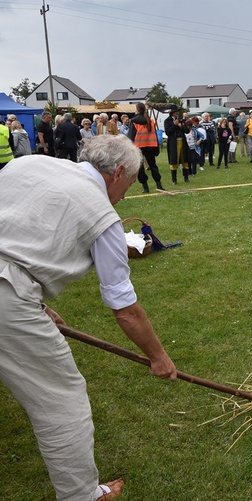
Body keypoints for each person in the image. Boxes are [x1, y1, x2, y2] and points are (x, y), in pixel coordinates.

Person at [0, 134, 178, 500]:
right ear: (119, 172)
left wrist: (35, 305)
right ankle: (83, 495)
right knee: (61, 400)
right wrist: (159, 357)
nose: (127, 194)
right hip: (8, 301)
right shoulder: (103, 216)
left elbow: (13, 238)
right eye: (130, 183)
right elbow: (126, 310)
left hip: (14, 296)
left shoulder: (28, 163)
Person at [128, 102, 164, 193]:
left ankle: (145, 187)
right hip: (151, 146)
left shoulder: (134, 121)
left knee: (140, 168)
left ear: (137, 110)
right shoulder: (151, 120)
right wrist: (157, 147)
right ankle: (159, 185)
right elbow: (155, 134)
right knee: (153, 166)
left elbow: (131, 135)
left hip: (139, 146)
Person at [164, 109, 191, 184]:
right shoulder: (167, 121)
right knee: (174, 161)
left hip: (182, 142)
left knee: (184, 160)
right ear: (172, 113)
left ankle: (186, 178)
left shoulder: (181, 121)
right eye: (176, 112)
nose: (177, 113)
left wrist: (180, 125)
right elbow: (168, 132)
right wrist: (174, 125)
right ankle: (174, 180)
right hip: (173, 143)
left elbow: (187, 130)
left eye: (178, 112)